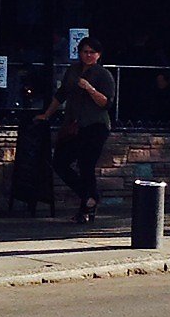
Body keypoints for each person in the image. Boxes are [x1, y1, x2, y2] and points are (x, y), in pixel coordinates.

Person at [37, 36, 116, 223]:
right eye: (85, 52)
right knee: (60, 162)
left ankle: (85, 210)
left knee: (86, 165)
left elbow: (106, 103)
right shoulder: (73, 71)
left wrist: (89, 88)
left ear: (98, 55)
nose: (88, 56)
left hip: (96, 125)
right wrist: (47, 114)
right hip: (75, 125)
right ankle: (90, 197)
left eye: (92, 52)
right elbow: (61, 94)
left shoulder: (103, 75)